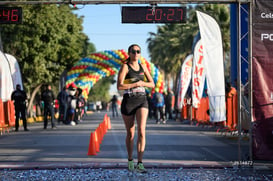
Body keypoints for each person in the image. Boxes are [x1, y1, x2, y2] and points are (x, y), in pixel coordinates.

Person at [117, 44, 155, 173]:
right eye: (133, 51)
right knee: (131, 133)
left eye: (138, 51)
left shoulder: (143, 67)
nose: (136, 54)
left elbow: (152, 83)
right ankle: (130, 160)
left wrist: (141, 83)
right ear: (129, 53)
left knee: (142, 132)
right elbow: (119, 86)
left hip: (142, 100)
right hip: (129, 100)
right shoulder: (125, 67)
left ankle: (140, 162)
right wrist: (133, 84)